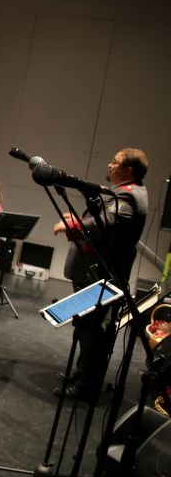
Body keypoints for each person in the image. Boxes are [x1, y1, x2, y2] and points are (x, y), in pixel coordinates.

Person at [51, 147, 148, 399]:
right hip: (96, 270)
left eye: (115, 162)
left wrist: (72, 224)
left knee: (92, 331)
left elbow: (103, 223)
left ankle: (86, 385)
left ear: (128, 170)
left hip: (100, 272)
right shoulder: (128, 191)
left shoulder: (129, 195)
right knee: (86, 328)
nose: (109, 165)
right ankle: (81, 373)